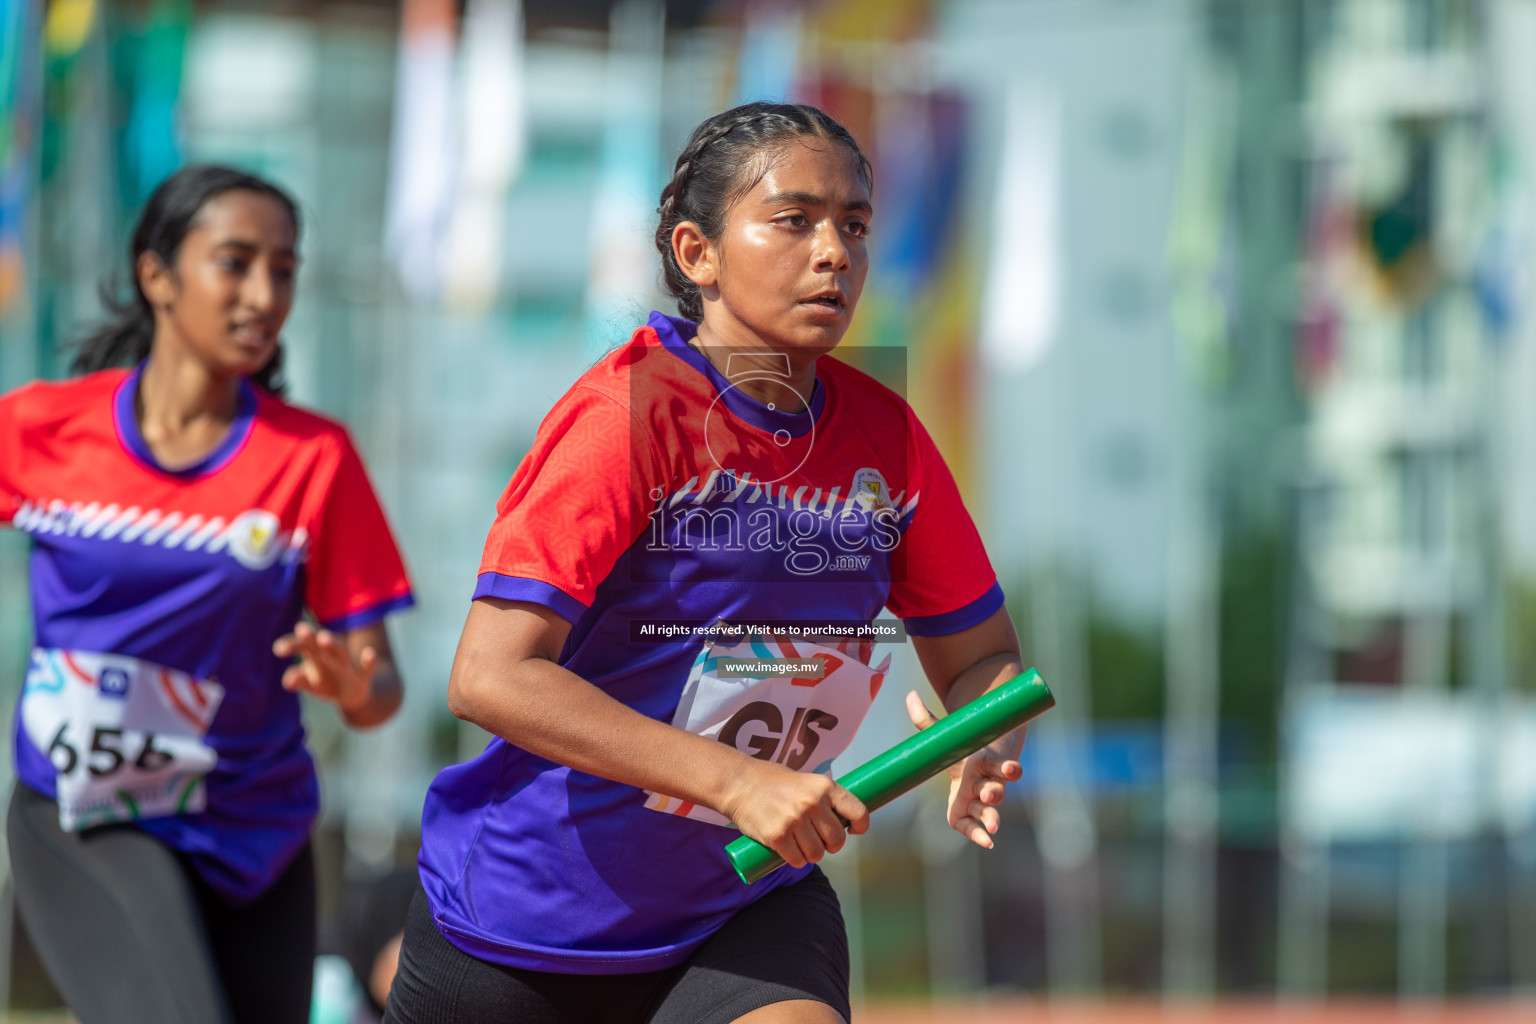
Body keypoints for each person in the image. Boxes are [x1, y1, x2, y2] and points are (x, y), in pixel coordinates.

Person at [385, 101, 1026, 1024]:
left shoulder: (891, 439)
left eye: (853, 226)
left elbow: (985, 665)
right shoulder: (627, 417)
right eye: (795, 219)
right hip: (526, 924)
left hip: (744, 903)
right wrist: (738, 781)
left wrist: (981, 738)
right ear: (698, 254)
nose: (834, 252)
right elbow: (489, 677)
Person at [1, 165, 415, 1024]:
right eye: (235, 262)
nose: (265, 294)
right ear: (157, 275)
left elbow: (381, 692)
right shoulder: (42, 430)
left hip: (257, 838)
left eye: (285, 269)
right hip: (87, 811)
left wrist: (351, 684)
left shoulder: (312, 459)